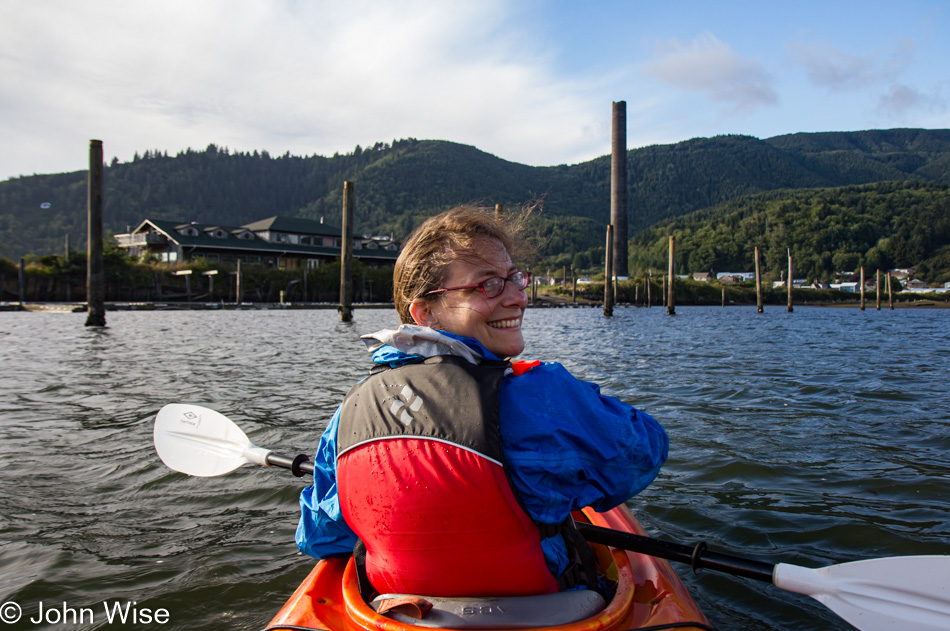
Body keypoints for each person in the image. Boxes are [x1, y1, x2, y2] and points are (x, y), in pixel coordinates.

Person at [296, 206, 668, 598]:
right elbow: (646, 450)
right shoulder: (539, 396)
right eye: (488, 285)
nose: (517, 299)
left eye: (514, 279)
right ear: (426, 313)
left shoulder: (351, 411)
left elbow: (320, 538)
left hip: (404, 613)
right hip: (546, 611)